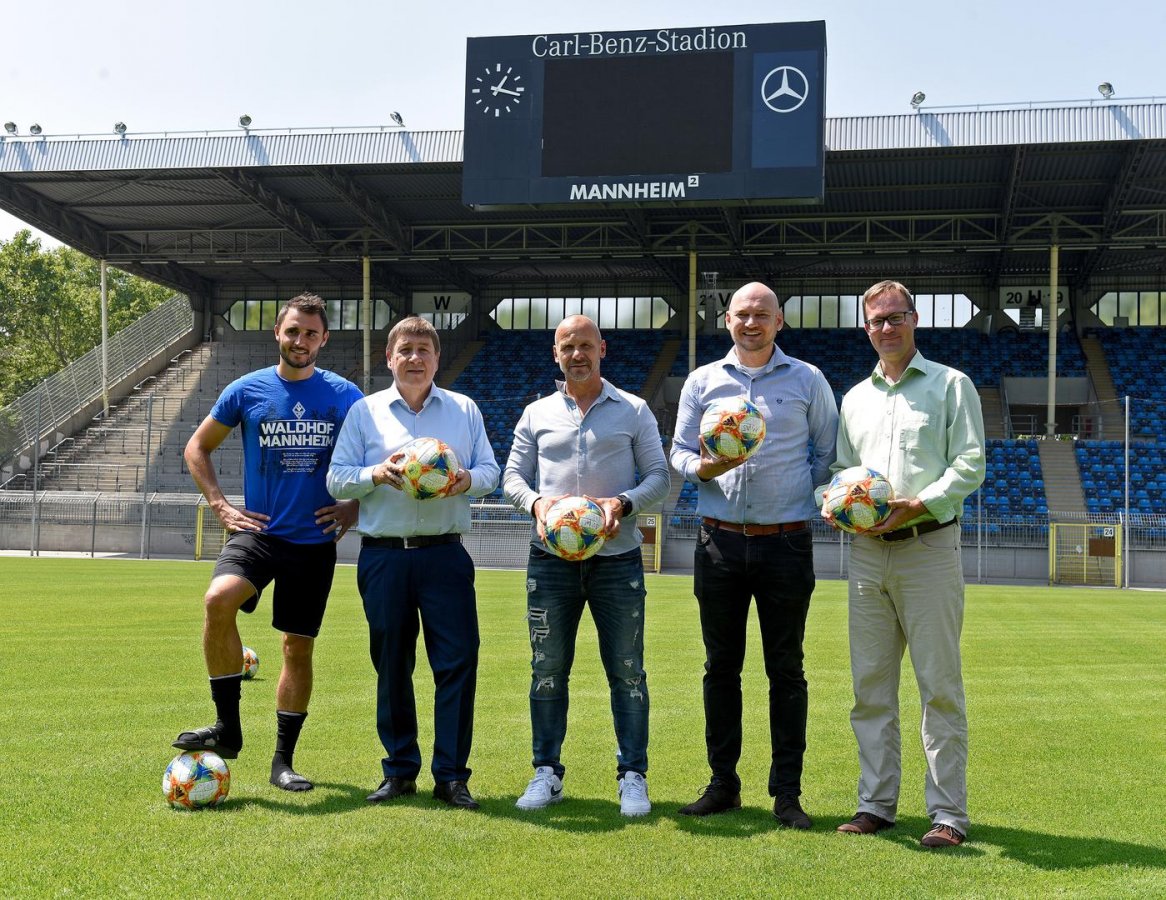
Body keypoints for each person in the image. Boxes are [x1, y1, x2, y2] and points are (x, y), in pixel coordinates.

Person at [172, 293, 363, 793]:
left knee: (296, 648)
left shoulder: (345, 396)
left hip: (314, 540)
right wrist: (219, 505)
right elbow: (197, 447)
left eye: (311, 334)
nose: (301, 341)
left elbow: (376, 460)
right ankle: (228, 729)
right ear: (278, 332)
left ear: (324, 339)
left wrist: (354, 507)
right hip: (257, 532)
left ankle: (283, 760)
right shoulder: (245, 390)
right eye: (293, 331)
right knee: (217, 600)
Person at [823, 280, 984, 848]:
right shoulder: (854, 398)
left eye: (895, 317)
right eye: (875, 321)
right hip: (868, 555)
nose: (886, 328)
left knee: (938, 686)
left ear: (914, 320)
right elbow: (845, 470)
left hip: (929, 547)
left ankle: (948, 815)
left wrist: (919, 503)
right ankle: (876, 805)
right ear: (865, 328)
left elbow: (970, 464)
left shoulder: (951, 385)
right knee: (870, 687)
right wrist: (836, 503)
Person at [670, 281, 838, 828]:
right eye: (742, 313)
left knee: (786, 669)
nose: (751, 322)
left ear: (779, 322)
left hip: (787, 542)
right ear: (727, 320)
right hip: (718, 541)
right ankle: (723, 783)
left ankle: (787, 793)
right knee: (721, 667)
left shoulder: (808, 380)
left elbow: (825, 455)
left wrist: (791, 495)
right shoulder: (702, 382)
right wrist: (702, 470)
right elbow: (677, 452)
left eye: (762, 314)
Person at [326, 316, 499, 810]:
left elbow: (491, 470)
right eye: (405, 349)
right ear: (390, 357)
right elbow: (338, 481)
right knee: (392, 667)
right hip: (385, 557)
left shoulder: (463, 409)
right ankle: (399, 771)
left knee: (457, 663)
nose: (415, 358)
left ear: (437, 358)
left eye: (424, 349)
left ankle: (451, 776)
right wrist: (376, 473)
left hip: (445, 554)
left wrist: (463, 480)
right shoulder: (365, 412)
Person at [503, 315, 670, 817]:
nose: (577, 354)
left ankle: (632, 775)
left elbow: (659, 476)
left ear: (603, 349)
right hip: (550, 562)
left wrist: (621, 504)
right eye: (567, 347)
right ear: (556, 353)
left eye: (585, 346)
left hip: (616, 562)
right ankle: (546, 773)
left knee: (627, 670)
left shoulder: (634, 410)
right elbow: (512, 476)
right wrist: (537, 506)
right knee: (547, 668)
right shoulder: (536, 414)